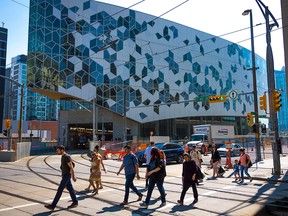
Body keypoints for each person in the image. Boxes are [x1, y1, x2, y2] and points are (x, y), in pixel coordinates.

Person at [44, 145, 78, 210]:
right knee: (70, 189)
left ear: (62, 150)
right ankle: (75, 202)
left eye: (58, 150)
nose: (57, 152)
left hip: (66, 176)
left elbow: (71, 167)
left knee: (60, 190)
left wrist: (74, 176)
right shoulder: (63, 156)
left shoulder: (67, 157)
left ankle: (52, 206)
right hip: (65, 175)